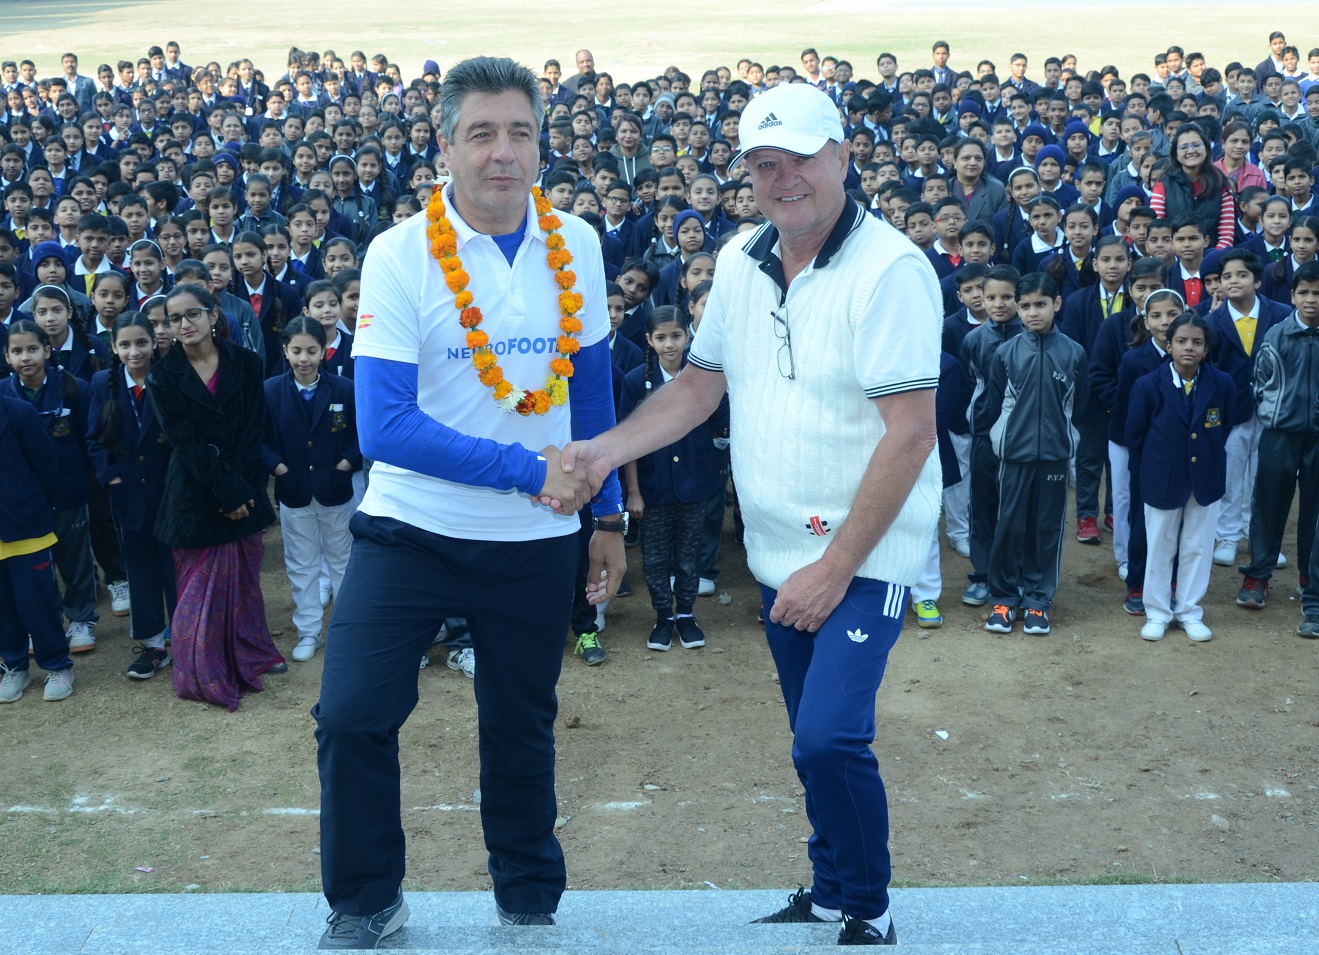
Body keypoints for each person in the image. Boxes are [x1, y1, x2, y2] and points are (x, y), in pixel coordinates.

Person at [563, 82, 942, 947]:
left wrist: (835, 567)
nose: (785, 177)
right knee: (809, 736)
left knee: (827, 740)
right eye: (764, 164)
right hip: (778, 554)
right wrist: (603, 454)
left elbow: (910, 434)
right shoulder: (739, 259)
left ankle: (870, 908)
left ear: (844, 156)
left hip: (861, 556)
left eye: (803, 157)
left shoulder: (892, 270)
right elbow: (698, 386)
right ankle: (829, 885)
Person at [312, 57, 625, 949]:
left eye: (519, 132)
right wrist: (527, 470)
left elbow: (591, 392)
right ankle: (366, 898)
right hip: (410, 531)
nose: (502, 153)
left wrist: (604, 517)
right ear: (444, 145)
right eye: (480, 133)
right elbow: (385, 427)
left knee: (520, 719)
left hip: (536, 539)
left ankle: (526, 895)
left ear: (541, 143)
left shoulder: (580, 245)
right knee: (352, 713)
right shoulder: (398, 252)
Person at [146, 283, 286, 711]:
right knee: (197, 592)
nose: (183, 324)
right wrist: (227, 494)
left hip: (244, 485)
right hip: (194, 493)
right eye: (174, 318)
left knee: (244, 581)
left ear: (212, 315)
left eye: (192, 314)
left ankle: (249, 651)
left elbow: (251, 432)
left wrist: (242, 491)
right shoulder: (163, 374)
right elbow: (184, 444)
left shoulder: (246, 362)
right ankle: (202, 668)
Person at [982, 272, 1088, 635]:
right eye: (1024, 305)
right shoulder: (1006, 353)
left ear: (1056, 304)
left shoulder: (1074, 353)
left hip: (1055, 455)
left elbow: (1082, 406)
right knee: (1008, 526)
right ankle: (1004, 599)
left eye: (1040, 304)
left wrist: (1064, 438)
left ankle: (1039, 601)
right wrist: (1002, 440)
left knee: (1047, 529)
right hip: (1014, 455)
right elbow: (994, 404)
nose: (1032, 313)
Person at [619, 306, 727, 650]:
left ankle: (687, 615)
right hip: (653, 488)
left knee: (688, 553)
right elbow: (628, 442)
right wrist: (633, 491)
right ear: (649, 340)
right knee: (654, 556)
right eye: (661, 337)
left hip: (695, 484)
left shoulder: (704, 378)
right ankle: (664, 615)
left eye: (676, 336)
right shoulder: (636, 381)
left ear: (687, 336)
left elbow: (720, 428)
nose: (670, 344)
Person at [1126, 312, 1234, 643]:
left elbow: (1223, 425)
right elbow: (1136, 434)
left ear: (1206, 348)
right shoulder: (1148, 385)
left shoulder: (1222, 384)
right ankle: (1158, 611)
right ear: (1168, 345)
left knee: (1197, 546)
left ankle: (1189, 610)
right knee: (1159, 544)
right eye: (1182, 341)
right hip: (1162, 477)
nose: (1189, 348)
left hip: (1205, 477)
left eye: (1197, 343)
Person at [262, 316, 359, 663]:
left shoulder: (344, 389)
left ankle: (348, 630)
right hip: (294, 491)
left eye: (312, 351)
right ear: (285, 351)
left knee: (343, 562)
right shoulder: (270, 390)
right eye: (297, 351)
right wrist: (280, 469)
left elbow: (360, 436)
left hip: (336, 491)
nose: (304, 359)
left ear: (324, 351)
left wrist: (344, 466)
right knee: (301, 564)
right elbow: (260, 440)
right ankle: (309, 630)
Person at [1, 313, 100, 654]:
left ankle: (81, 617)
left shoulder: (73, 388)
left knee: (74, 556)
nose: (25, 357)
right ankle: (43, 622)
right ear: (7, 356)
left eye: (32, 349)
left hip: (69, 489)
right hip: (22, 500)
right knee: (34, 568)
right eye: (17, 351)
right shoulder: (3, 396)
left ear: (47, 350)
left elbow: (90, 440)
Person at [87, 312, 177, 678]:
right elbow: (93, 440)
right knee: (140, 570)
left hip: (169, 494)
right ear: (114, 347)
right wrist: (111, 478)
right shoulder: (101, 384)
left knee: (175, 569)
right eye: (125, 344)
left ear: (155, 342)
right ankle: (155, 644)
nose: (134, 351)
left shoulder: (171, 378)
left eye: (141, 342)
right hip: (129, 497)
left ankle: (185, 639)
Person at [1237, 261, 1319, 609]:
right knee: (1269, 505)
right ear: (1292, 296)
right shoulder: (1276, 335)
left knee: (1315, 513)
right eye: (1304, 293)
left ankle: (1309, 578)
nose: (1311, 300)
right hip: (1280, 434)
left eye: (1318, 293)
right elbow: (1260, 383)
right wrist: (1276, 416)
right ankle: (1258, 575)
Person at [1206, 250, 1291, 566]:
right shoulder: (1212, 321)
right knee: (1231, 473)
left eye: (1241, 275)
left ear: (1257, 280)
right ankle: (1227, 534)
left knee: (1267, 475)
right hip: (1232, 412)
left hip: (1274, 411)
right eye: (1226, 276)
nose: (1233, 281)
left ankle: (1263, 538)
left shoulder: (1282, 314)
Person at [0, 389, 72, 703]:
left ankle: (58, 666)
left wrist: (38, 509)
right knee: (3, 609)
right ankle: (14, 666)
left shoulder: (19, 411)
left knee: (38, 604)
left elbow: (46, 463)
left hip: (26, 525)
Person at [1149, 123, 1235, 250]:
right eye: (1184, 147)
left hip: (1212, 259)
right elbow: (1158, 231)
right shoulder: (1163, 186)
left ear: (1206, 149)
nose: (1191, 151)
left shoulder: (1221, 184)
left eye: (1196, 145)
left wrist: (1209, 260)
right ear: (1175, 154)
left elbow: (1226, 237)